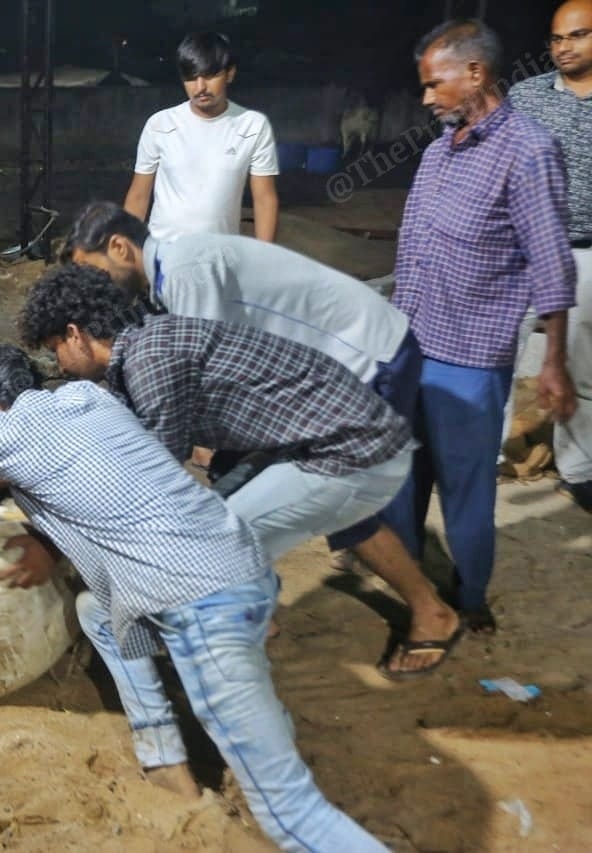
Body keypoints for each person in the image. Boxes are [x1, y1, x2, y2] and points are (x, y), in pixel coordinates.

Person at [0, 343, 385, 852]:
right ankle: (165, 760)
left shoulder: (6, 431)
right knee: (97, 613)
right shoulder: (91, 397)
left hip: (198, 599)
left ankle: (265, 766)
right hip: (244, 564)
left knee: (291, 812)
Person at [60, 200, 461, 674]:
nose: (97, 289)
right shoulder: (166, 280)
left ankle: (430, 610)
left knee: (340, 492)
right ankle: (254, 607)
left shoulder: (189, 273)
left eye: (96, 272)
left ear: (120, 247)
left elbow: (198, 378)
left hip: (365, 354)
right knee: (250, 482)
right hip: (325, 363)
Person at [390, 19, 578, 633]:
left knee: (466, 485)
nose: (426, 97)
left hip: (470, 355)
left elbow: (550, 261)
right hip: (410, 343)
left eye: (433, 83)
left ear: (475, 73)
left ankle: (470, 596)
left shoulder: (528, 150)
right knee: (403, 473)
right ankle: (411, 582)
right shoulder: (439, 151)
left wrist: (553, 360)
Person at [508, 0, 592, 512]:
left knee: (581, 368)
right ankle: (484, 453)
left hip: (586, 254)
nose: (563, 47)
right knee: (497, 353)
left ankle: (578, 470)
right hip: (521, 251)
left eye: (577, 36)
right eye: (557, 39)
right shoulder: (527, 95)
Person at [123, 31, 279, 243]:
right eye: (191, 78)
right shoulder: (160, 125)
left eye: (210, 75)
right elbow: (139, 197)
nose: (200, 87)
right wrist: (128, 258)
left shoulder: (252, 125)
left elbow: (264, 200)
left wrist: (263, 258)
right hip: (165, 256)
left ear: (230, 73)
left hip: (221, 258)